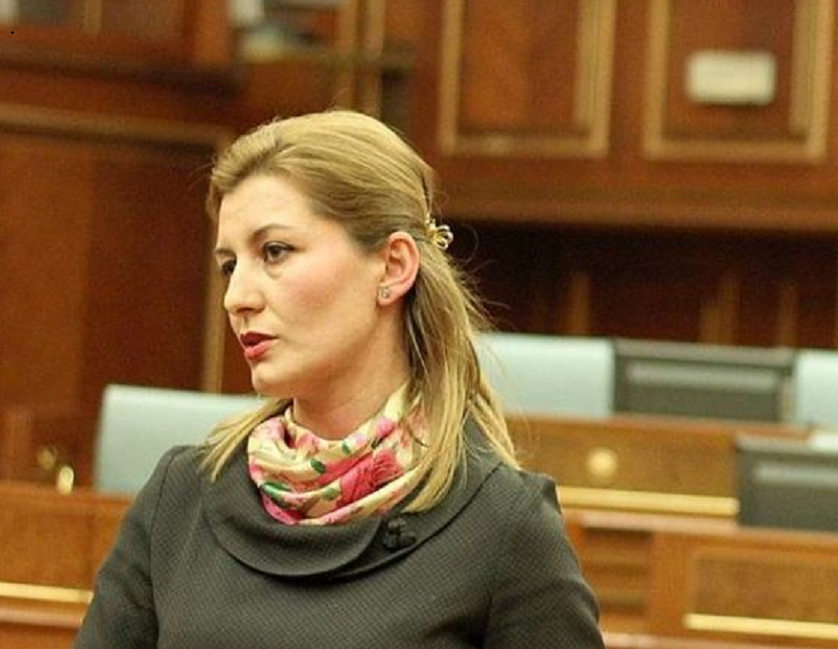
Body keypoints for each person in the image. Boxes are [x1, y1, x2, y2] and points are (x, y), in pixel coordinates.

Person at [74, 109, 604, 648]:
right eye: (230, 265)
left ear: (393, 267)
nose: (237, 298)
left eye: (274, 252)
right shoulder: (180, 497)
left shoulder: (501, 526)